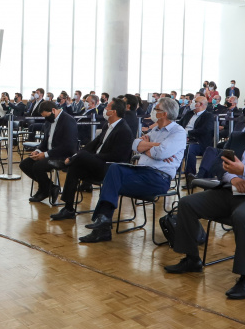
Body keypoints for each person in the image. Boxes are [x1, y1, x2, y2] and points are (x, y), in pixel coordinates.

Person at [165, 102, 245, 300]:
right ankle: (192, 259)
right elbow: (218, 163)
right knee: (187, 203)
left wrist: (244, 171)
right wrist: (233, 178)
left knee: (243, 216)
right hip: (233, 189)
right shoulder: (237, 137)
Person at [78, 97, 186, 243]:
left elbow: (159, 153)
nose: (153, 111)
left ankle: (102, 226)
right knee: (114, 168)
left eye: (156, 109)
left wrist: (148, 147)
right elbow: (135, 144)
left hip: (158, 178)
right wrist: (155, 145)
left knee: (111, 181)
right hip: (140, 173)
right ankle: (103, 221)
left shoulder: (178, 132)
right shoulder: (156, 129)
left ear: (164, 113)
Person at [50, 98, 134, 220]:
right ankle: (68, 208)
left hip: (110, 168)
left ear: (114, 112)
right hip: (97, 163)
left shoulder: (124, 130)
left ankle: (64, 163)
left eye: (107, 108)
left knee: (82, 157)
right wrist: (79, 154)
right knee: (75, 167)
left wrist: (90, 156)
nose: (105, 109)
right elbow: (94, 143)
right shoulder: (108, 125)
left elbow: (117, 156)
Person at [20, 101, 79, 202]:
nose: (45, 119)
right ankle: (50, 187)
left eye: (46, 116)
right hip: (50, 153)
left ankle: (44, 190)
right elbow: (45, 141)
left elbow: (68, 146)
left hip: (63, 156)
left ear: (53, 110)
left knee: (37, 166)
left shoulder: (68, 121)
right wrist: (37, 151)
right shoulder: (48, 121)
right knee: (24, 164)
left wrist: (46, 154)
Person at [180, 96, 213, 185]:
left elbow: (205, 130)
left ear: (201, 104)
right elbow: (180, 123)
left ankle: (191, 179)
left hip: (198, 142)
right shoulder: (189, 113)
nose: (193, 103)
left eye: (195, 101)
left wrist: (188, 134)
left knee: (189, 150)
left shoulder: (208, 116)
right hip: (183, 138)